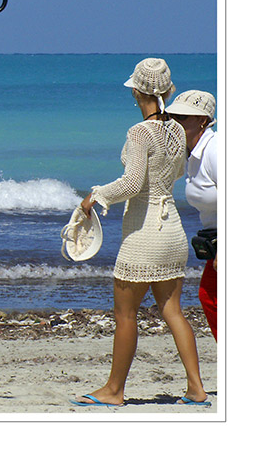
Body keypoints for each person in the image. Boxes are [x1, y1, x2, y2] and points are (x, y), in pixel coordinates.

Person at [74, 58, 209, 407]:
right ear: (167, 91)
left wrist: (95, 197)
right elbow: (174, 174)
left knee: (125, 315)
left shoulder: (139, 132)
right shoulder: (178, 131)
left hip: (145, 233)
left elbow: (132, 184)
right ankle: (197, 389)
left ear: (136, 90)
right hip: (173, 229)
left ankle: (114, 391)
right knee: (173, 310)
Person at [167, 89, 218, 339]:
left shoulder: (215, 150)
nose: (175, 123)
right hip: (215, 242)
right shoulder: (190, 153)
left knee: (212, 298)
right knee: (210, 298)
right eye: (172, 117)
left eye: (182, 118)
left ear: (203, 121)